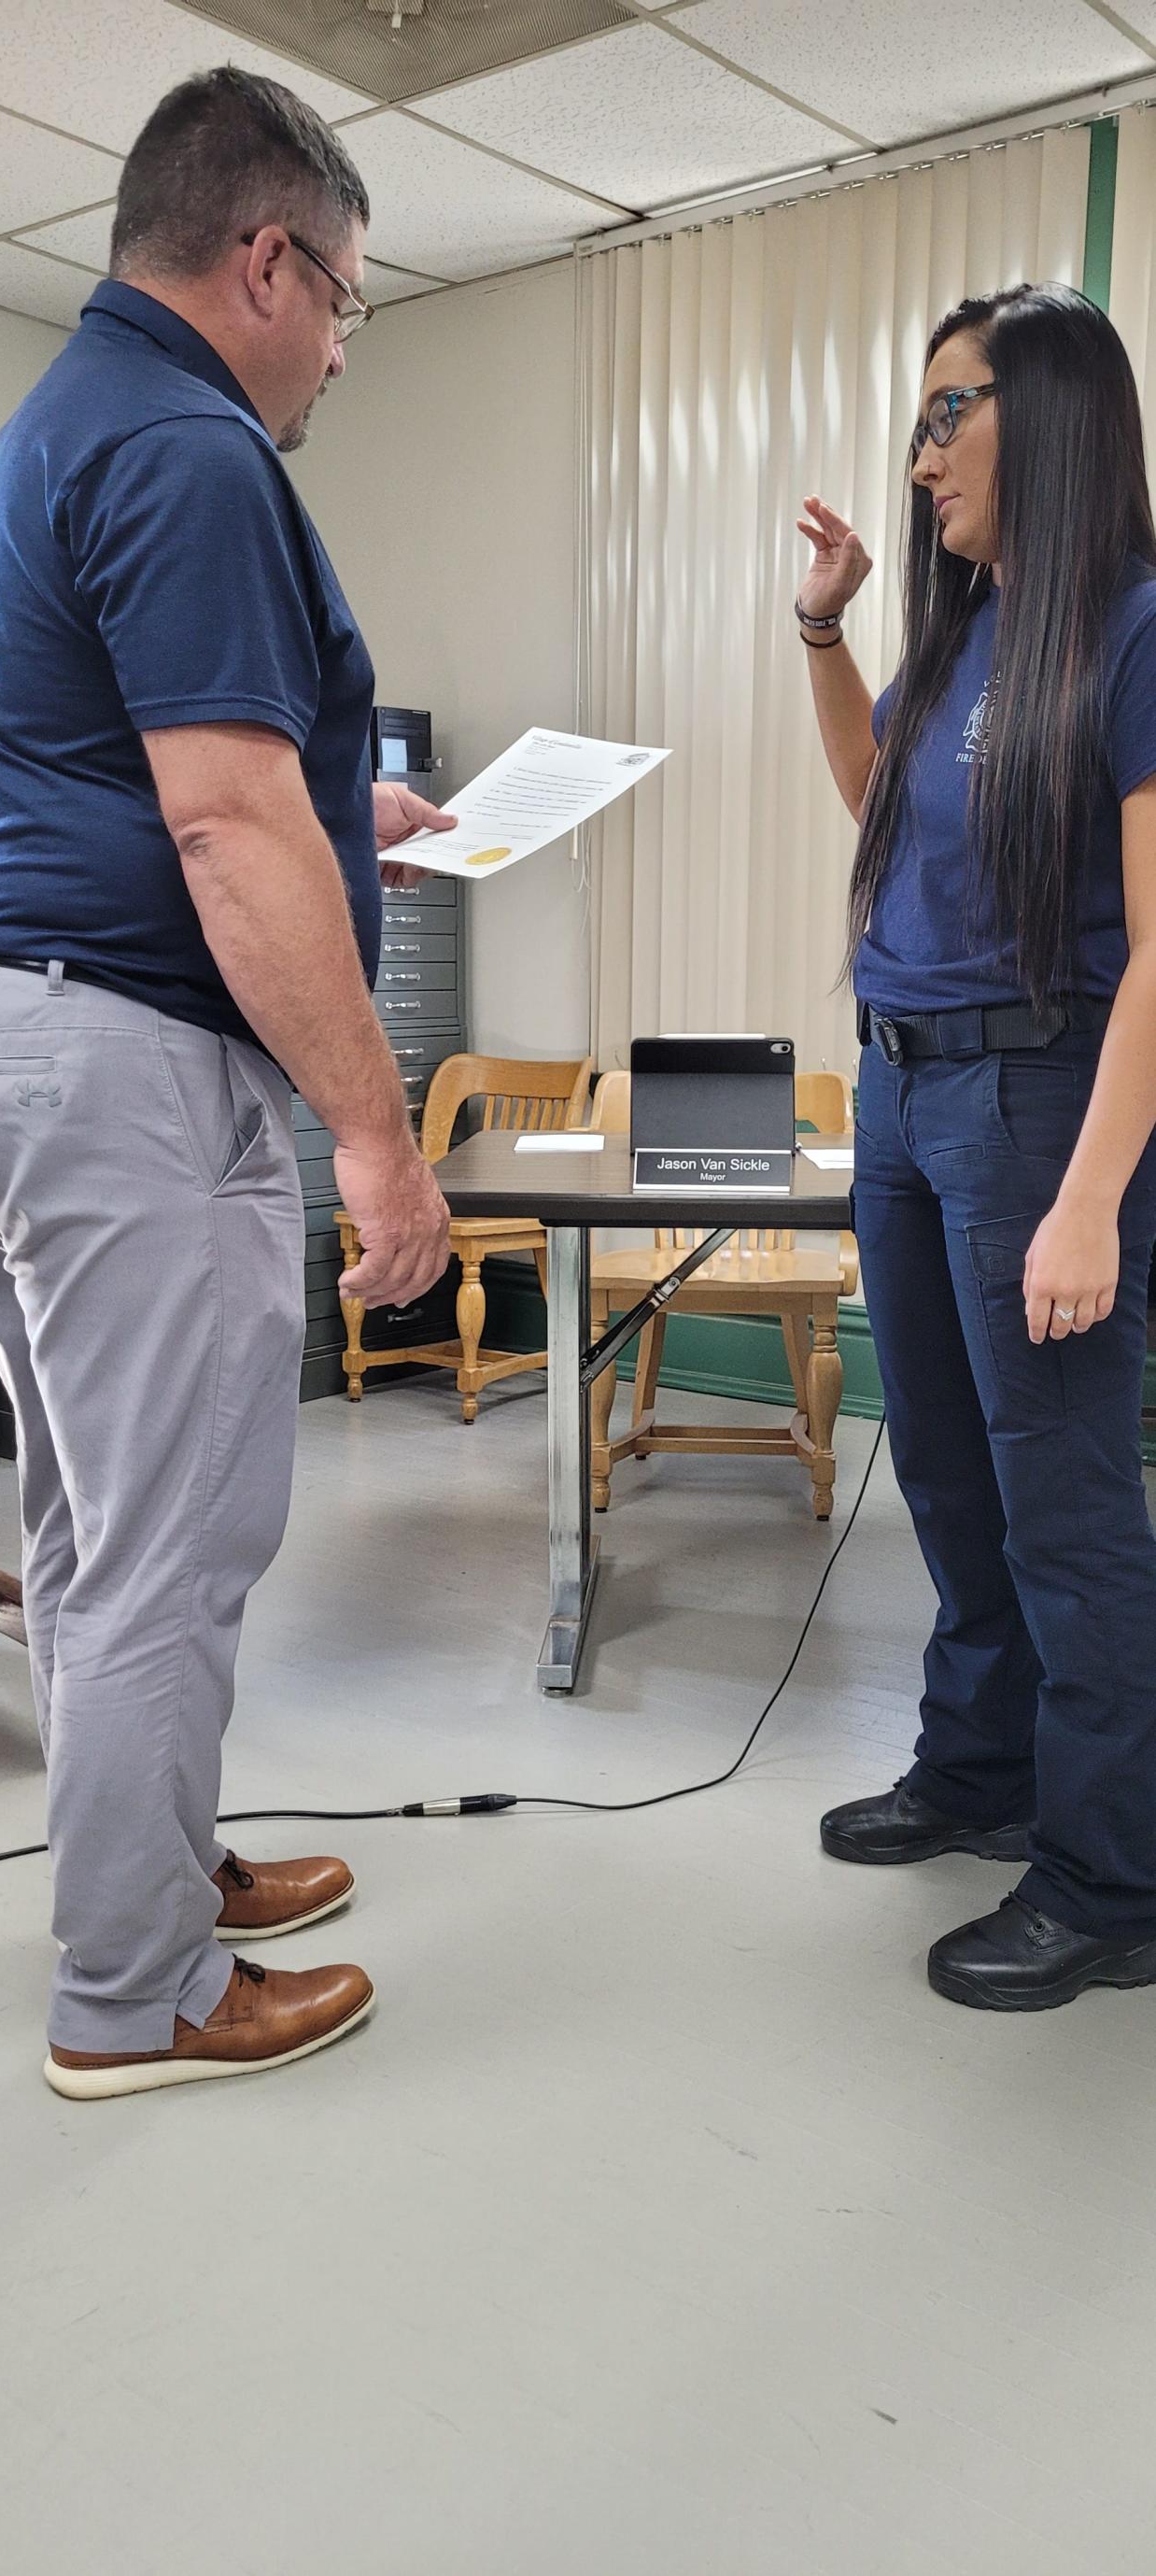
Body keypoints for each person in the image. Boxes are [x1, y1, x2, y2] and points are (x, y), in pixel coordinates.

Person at [0, 67, 458, 2099]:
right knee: (171, 1530)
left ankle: (153, 1869)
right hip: (127, 1054)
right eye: (347, 298)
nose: (346, 343)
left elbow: (147, 763)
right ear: (265, 259)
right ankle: (139, 1990)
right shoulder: (189, 448)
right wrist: (377, 1135)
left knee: (104, 1529)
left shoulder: (70, 419)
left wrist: (350, 812)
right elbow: (218, 835)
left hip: (55, 1031)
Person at [798, 283, 1156, 2011]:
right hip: (901, 1092)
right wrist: (822, 633)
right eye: (923, 412)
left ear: (1054, 420)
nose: (922, 445)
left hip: (1035, 1107)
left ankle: (1110, 1874)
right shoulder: (963, 630)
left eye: (953, 411)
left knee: (1060, 1504)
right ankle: (981, 1764)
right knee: (941, 1468)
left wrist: (1088, 1195)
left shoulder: (1133, 631)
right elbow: (879, 802)